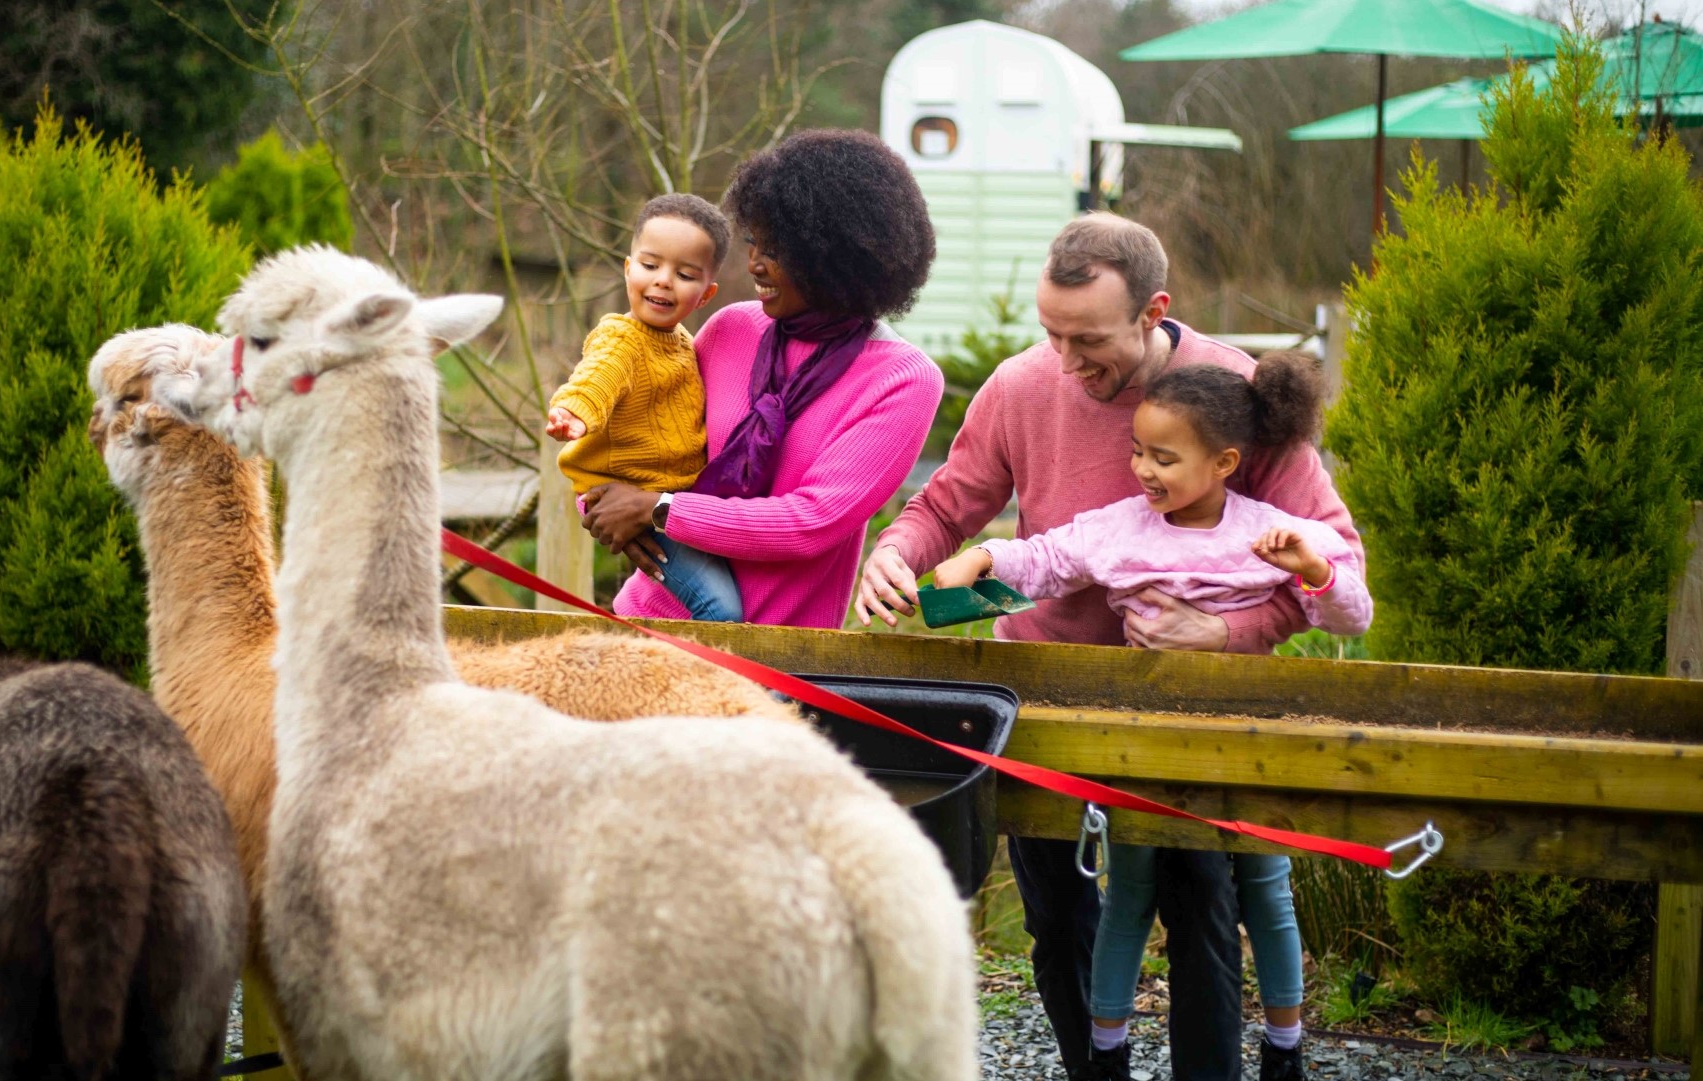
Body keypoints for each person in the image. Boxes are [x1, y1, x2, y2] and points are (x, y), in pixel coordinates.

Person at [857, 213, 1364, 1081]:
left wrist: (1229, 632)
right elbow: (947, 505)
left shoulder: (1233, 394)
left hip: (1188, 697)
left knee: (1199, 901)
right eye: (1050, 333)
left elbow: (1328, 556)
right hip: (1045, 683)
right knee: (1061, 916)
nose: (1064, 360)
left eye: (1086, 339)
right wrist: (896, 555)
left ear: (1152, 311)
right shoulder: (1021, 388)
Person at [581, 129, 942, 629]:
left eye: (777, 250)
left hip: (775, 664)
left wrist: (658, 511)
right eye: (755, 241)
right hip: (647, 625)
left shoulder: (901, 380)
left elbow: (809, 523)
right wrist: (603, 505)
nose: (753, 263)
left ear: (834, 257)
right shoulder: (732, 328)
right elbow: (641, 427)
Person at [546, 193, 740, 621]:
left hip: (674, 500)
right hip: (635, 502)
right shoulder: (622, 337)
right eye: (650, 266)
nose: (663, 280)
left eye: (684, 274)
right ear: (629, 267)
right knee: (721, 608)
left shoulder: (686, 343)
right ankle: (715, 686)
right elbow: (598, 376)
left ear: (705, 294)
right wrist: (574, 412)